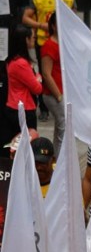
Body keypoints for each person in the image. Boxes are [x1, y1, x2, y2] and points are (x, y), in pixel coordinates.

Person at [3, 25, 42, 143]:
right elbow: (37, 88)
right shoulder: (21, 63)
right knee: (26, 144)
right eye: (32, 37)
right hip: (23, 109)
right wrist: (38, 78)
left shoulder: (12, 60)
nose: (34, 39)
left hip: (14, 106)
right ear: (25, 40)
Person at [39, 13, 65, 156]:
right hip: (54, 95)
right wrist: (59, 96)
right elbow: (46, 74)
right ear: (54, 26)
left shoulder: (61, 44)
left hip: (60, 92)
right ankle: (60, 163)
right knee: (63, 129)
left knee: (61, 129)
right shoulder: (49, 46)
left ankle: (57, 159)